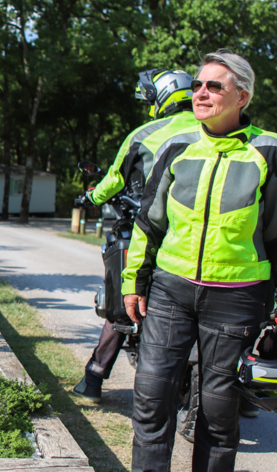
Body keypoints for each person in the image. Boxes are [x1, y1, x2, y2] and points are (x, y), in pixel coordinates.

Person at [122, 49, 277, 472]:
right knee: (151, 399)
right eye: (197, 85)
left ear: (242, 96)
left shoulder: (271, 150)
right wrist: (134, 280)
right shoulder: (177, 146)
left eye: (213, 86)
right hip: (170, 291)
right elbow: (149, 222)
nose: (200, 93)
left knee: (219, 413)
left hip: (238, 299)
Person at [72, 68, 198, 402]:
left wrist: (90, 198)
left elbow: (114, 179)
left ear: (162, 97)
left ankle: (94, 379)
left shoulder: (145, 134)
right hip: (198, 237)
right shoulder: (216, 132)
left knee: (123, 299)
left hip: (151, 230)